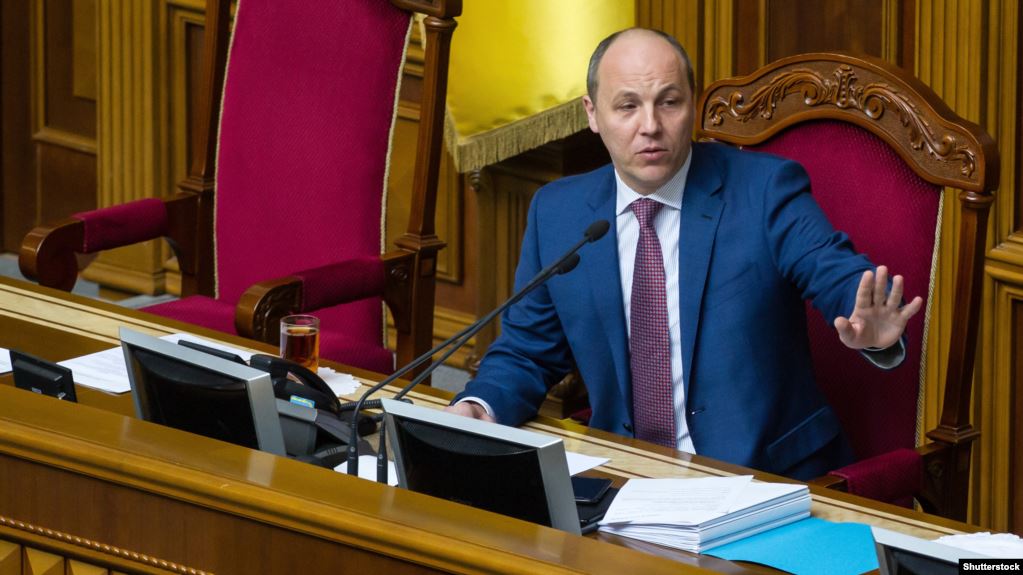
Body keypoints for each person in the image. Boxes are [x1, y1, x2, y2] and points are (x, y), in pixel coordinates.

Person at [446, 28, 923, 480]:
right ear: (593, 114)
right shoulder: (559, 212)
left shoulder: (764, 191)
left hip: (762, 481)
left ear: (691, 104)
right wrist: (480, 405)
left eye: (668, 102)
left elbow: (832, 269)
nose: (650, 126)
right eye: (627, 106)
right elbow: (528, 349)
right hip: (625, 477)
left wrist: (869, 323)